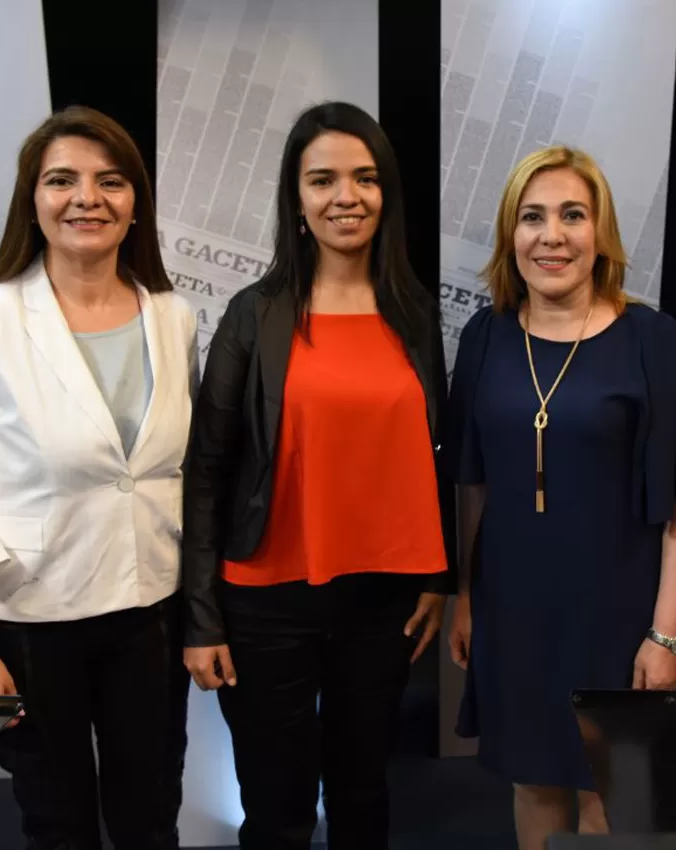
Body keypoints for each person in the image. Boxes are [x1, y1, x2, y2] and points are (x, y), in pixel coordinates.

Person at [0, 106, 197, 849]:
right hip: (29, 626)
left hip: (148, 616)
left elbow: (179, 475)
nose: (87, 198)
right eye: (62, 180)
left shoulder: (175, 315)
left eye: (110, 181)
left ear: (136, 203)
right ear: (33, 200)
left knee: (149, 819)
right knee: (59, 824)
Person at [180, 101, 453, 850]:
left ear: (386, 193)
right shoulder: (253, 315)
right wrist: (200, 617)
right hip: (265, 599)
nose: (346, 196)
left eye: (364, 178)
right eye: (323, 179)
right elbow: (206, 473)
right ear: (296, 198)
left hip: (384, 601)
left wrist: (437, 578)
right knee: (277, 807)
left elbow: (434, 458)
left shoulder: (415, 315)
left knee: (365, 795)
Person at [444, 145, 676, 850]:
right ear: (511, 234)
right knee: (532, 781)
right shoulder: (485, 335)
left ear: (602, 233)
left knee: (606, 795)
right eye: (532, 217)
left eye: (572, 215)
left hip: (618, 612)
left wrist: (667, 633)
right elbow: (472, 481)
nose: (552, 235)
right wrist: (466, 596)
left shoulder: (653, 340)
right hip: (513, 608)